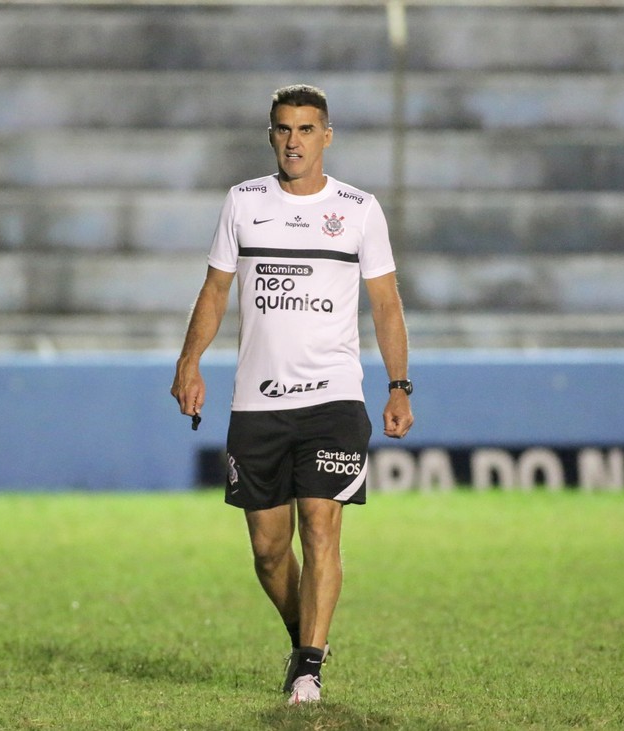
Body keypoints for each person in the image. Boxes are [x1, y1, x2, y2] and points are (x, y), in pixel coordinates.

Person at [170, 85, 414, 704]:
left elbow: (386, 304)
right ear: (271, 135)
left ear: (326, 136)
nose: (294, 141)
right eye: (283, 129)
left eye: (306, 129)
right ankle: (307, 638)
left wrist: (398, 386)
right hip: (257, 402)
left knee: (320, 526)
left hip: (334, 398)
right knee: (268, 551)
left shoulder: (359, 209)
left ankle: (308, 667)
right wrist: (189, 361)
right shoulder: (243, 201)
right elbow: (215, 289)